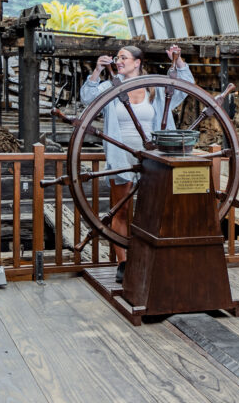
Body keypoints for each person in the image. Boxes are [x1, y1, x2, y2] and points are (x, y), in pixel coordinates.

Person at [80, 44, 194, 282]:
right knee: (120, 209)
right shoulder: (111, 87)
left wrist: (178, 60)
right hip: (121, 155)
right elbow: (87, 99)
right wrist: (97, 71)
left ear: (137, 62)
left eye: (124, 57)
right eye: (117, 58)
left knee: (154, 208)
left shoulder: (155, 87)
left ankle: (153, 256)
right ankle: (123, 262)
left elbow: (184, 89)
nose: (119, 61)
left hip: (153, 157)